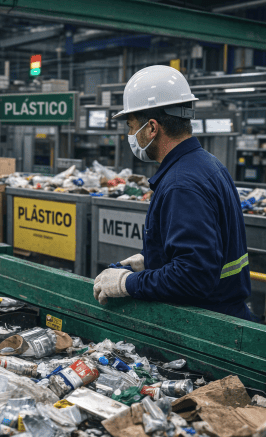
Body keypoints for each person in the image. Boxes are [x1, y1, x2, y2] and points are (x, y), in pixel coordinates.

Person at [93, 65, 252, 320]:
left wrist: (127, 283)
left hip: (207, 327)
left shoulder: (182, 184)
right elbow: (208, 253)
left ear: (152, 128)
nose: (129, 135)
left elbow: (193, 278)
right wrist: (152, 260)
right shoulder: (208, 164)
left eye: (131, 126)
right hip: (226, 313)